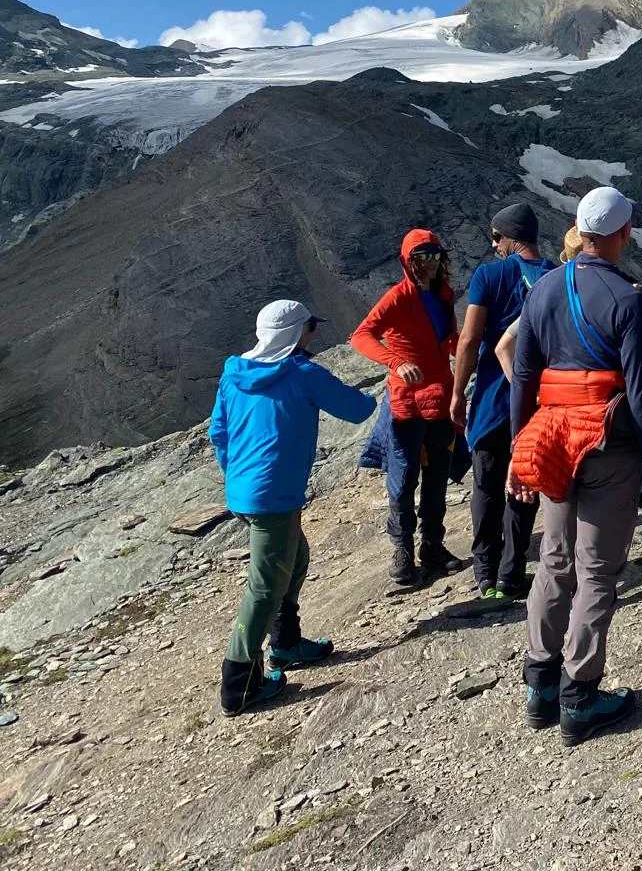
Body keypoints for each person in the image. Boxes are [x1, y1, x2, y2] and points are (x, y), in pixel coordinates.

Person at [508, 187, 642, 746]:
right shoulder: (627, 298)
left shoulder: (542, 291)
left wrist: (518, 451)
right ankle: (581, 696)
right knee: (597, 571)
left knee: (555, 559)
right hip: (611, 446)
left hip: (554, 438)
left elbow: (524, 380)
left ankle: (540, 685)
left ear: (580, 230)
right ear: (624, 234)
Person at [209, 300, 376, 715]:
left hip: (246, 493)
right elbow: (358, 410)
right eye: (311, 329)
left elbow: (219, 432)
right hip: (274, 497)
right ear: (298, 334)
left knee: (295, 557)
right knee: (264, 588)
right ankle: (239, 684)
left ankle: (285, 644)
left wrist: (241, 480)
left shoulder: (234, 374)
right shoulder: (302, 374)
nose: (312, 336)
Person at [450, 203, 556, 600]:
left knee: (488, 484)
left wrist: (458, 392)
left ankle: (485, 573)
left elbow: (470, 339)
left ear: (511, 238)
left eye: (496, 237)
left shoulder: (488, 276)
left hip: (494, 397)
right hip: (538, 401)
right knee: (525, 481)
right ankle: (512, 575)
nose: (493, 244)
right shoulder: (553, 274)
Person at [352, 228, 466, 586]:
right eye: (421, 258)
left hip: (440, 396)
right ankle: (401, 548)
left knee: (436, 477)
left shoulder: (443, 294)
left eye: (434, 256)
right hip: (407, 401)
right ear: (408, 262)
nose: (429, 264)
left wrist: (466, 352)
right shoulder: (398, 297)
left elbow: (446, 341)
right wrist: (395, 361)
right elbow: (361, 335)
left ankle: (432, 545)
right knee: (403, 478)